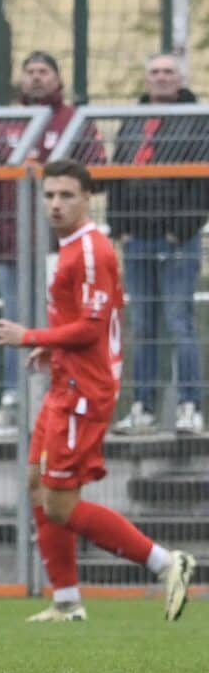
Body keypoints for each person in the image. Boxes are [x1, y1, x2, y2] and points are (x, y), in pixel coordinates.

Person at [0, 159, 197, 622]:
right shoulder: (70, 249)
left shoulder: (91, 251)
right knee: (35, 484)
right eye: (49, 196)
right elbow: (90, 322)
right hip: (65, 381)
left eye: (66, 195)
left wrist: (30, 337)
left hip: (84, 393)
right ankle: (66, 600)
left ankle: (167, 563)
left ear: (88, 197)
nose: (55, 204)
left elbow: (90, 327)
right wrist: (51, 351)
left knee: (60, 504)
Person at [0, 50, 101, 437]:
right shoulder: (6, 123)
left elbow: (98, 171)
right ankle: (13, 403)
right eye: (29, 72)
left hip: (62, 251)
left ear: (57, 79)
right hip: (12, 247)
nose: (36, 78)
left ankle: (60, 402)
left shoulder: (73, 122)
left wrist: (48, 163)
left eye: (43, 71)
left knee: (62, 325)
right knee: (15, 323)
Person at [113, 52, 206, 436]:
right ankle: (143, 406)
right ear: (147, 79)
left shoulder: (197, 120)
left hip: (178, 240)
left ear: (180, 78)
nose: (162, 77)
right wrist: (120, 228)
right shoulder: (133, 120)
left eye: (169, 71)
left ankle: (189, 406)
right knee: (143, 325)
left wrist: (180, 230)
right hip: (137, 239)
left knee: (179, 321)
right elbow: (116, 172)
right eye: (155, 72)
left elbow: (202, 182)